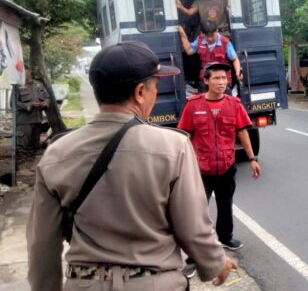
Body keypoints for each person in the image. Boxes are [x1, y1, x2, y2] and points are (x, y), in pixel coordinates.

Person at [26, 41, 236, 290]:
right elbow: (193, 228)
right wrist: (214, 263)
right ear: (139, 92)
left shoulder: (57, 153)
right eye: (155, 86)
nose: (155, 94)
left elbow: (42, 243)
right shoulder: (173, 146)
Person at [178, 62, 261, 276]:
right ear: (206, 81)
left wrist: (252, 158)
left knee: (226, 205)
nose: (222, 82)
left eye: (225, 78)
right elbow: (184, 136)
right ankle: (193, 258)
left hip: (225, 166)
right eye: (216, 78)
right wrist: (179, 163)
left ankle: (225, 237)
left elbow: (242, 132)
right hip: (200, 170)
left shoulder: (234, 105)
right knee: (196, 214)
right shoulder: (193, 105)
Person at [177, 21, 242, 92]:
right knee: (204, 100)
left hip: (222, 79)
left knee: (224, 101)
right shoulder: (200, 39)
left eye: (212, 35)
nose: (210, 38)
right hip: (205, 79)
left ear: (217, 31)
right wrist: (182, 33)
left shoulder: (225, 42)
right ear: (202, 33)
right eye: (207, 36)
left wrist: (237, 73)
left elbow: (235, 59)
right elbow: (189, 51)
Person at [16, 70, 49, 160]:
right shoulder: (18, 86)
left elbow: (46, 98)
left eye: (23, 71)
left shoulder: (38, 85)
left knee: (34, 145)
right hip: (24, 121)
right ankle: (22, 166)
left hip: (37, 119)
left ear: (29, 72)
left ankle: (30, 164)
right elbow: (13, 103)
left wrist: (45, 103)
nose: (21, 73)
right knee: (22, 145)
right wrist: (30, 105)